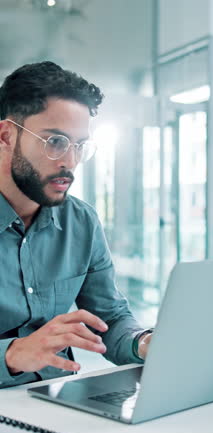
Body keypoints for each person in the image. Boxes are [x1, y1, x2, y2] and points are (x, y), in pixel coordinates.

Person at [0, 61, 153, 388]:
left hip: (57, 402)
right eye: (55, 141)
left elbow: (108, 319)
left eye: (79, 145)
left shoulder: (81, 221)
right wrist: (11, 354)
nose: (69, 161)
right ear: (6, 135)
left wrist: (143, 343)